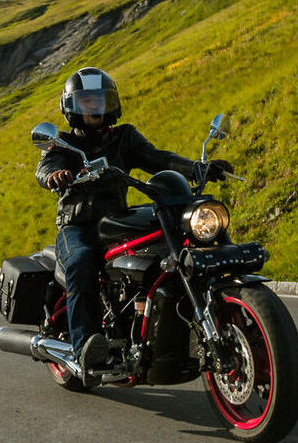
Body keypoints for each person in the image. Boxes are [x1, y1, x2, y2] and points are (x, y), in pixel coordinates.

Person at [35, 67, 226, 383]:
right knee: (82, 262)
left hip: (116, 224)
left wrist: (198, 168)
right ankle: (85, 346)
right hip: (77, 226)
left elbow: (158, 159)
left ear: (111, 102)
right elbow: (46, 168)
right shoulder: (63, 144)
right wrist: (55, 176)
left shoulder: (124, 137)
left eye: (99, 100)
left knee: (156, 254)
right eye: (85, 101)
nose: (94, 107)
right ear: (72, 106)